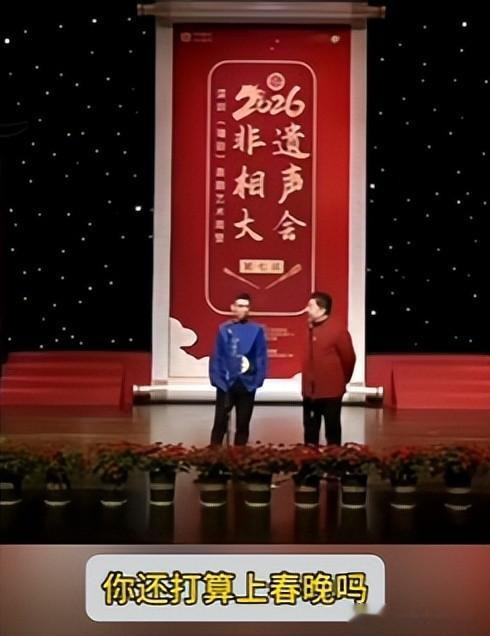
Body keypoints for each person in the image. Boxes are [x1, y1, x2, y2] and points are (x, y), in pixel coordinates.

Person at [209, 293, 268, 445]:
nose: (244, 309)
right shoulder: (223, 329)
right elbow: (217, 356)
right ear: (233, 308)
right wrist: (217, 380)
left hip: (247, 384)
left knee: (243, 424)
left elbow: (261, 356)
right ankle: (214, 455)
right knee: (219, 423)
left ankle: (240, 456)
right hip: (226, 383)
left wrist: (257, 381)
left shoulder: (257, 330)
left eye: (246, 306)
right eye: (240, 306)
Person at [302, 291, 356, 445]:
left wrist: (342, 380)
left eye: (311, 306)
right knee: (310, 431)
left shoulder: (337, 330)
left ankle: (333, 458)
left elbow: (349, 359)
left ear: (322, 310)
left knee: (332, 431)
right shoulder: (308, 328)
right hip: (310, 391)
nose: (307, 309)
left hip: (331, 391)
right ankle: (309, 458)